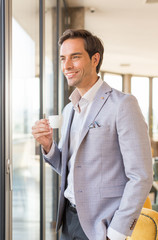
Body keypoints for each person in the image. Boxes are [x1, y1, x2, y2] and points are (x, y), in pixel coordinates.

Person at [32, 29, 153, 240]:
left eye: (75, 57)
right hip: (68, 221)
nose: (67, 66)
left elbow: (141, 176)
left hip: (103, 227)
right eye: (63, 58)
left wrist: (116, 232)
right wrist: (49, 146)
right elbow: (73, 169)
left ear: (95, 59)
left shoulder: (123, 105)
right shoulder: (69, 110)